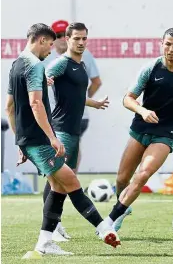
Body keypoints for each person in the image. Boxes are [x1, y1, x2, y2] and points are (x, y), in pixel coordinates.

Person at [5, 23, 119, 256]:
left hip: (31, 138)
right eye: (50, 43)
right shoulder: (36, 66)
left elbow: (9, 107)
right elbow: (36, 104)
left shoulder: (16, 64)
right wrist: (52, 138)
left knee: (58, 185)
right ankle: (103, 227)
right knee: (71, 181)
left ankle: (45, 241)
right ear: (41, 40)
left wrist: (20, 141)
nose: (51, 49)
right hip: (41, 138)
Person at [104, 28, 173, 231]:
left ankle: (110, 221)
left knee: (143, 174)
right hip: (141, 128)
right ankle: (123, 207)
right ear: (162, 43)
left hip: (165, 133)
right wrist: (142, 110)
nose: (171, 49)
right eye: (168, 44)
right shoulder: (150, 68)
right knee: (122, 178)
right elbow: (127, 99)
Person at [42, 20, 103, 241]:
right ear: (67, 40)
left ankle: (54, 226)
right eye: (76, 38)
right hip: (61, 130)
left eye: (84, 38)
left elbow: (75, 95)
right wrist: (44, 80)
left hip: (74, 131)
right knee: (57, 180)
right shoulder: (61, 63)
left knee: (65, 179)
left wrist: (92, 103)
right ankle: (53, 227)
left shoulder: (82, 64)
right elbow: (43, 77)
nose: (81, 42)